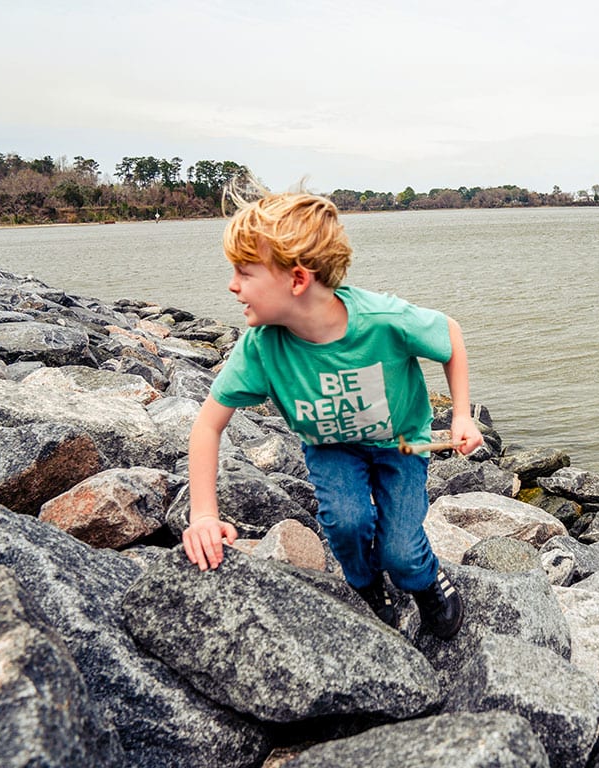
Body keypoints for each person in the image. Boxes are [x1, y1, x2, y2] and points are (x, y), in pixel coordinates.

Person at [181, 191, 484, 640]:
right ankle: (366, 587)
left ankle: (425, 581)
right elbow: (208, 425)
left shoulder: (382, 320)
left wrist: (462, 415)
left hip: (402, 445)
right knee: (347, 524)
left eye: (244, 273)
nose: (232, 285)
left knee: (401, 551)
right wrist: (204, 514)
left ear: (298, 280)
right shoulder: (262, 347)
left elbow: (450, 335)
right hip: (332, 449)